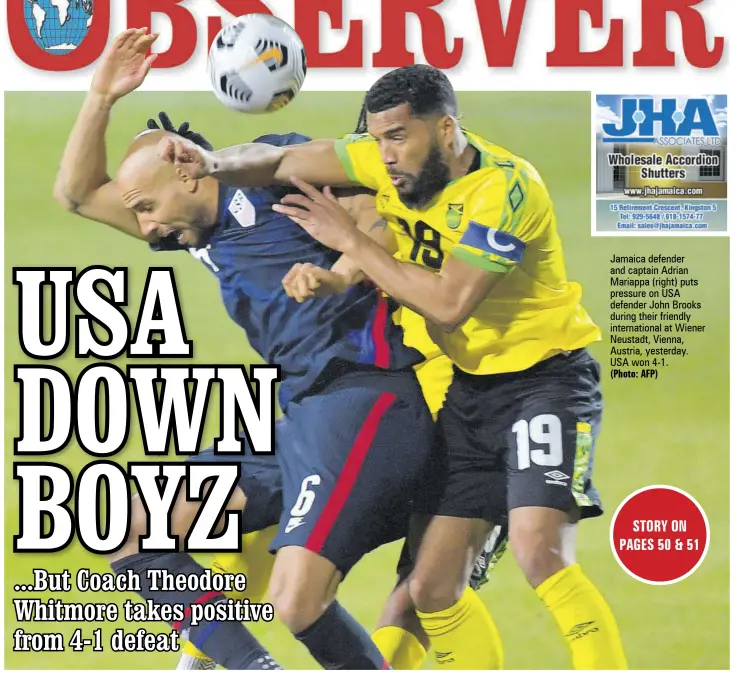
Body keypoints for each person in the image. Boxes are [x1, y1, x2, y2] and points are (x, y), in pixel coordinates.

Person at [163, 64, 628, 670]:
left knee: (540, 550)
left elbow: (448, 303)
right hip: (467, 394)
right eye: (378, 139)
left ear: (447, 129)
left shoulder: (505, 191)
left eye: (399, 138)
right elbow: (280, 162)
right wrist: (209, 163)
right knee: (430, 589)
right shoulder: (381, 160)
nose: (385, 156)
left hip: (545, 382)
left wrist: (348, 243)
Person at [54, 28, 437, 671]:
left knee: (300, 600)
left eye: (148, 207)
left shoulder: (269, 169)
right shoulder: (191, 231)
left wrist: (341, 273)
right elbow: (76, 195)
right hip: (296, 416)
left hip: (361, 395)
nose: (145, 227)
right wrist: (100, 94)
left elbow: (378, 216)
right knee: (131, 525)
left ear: (186, 168)